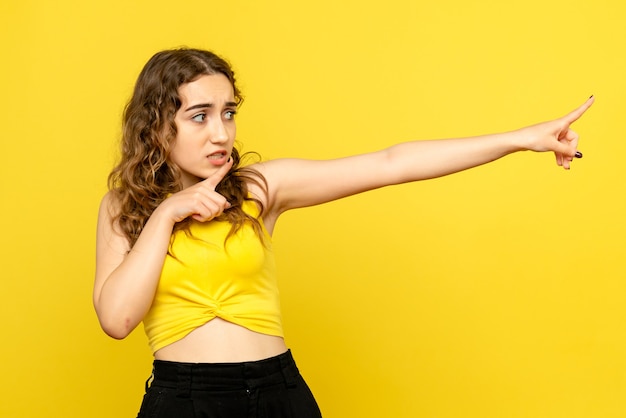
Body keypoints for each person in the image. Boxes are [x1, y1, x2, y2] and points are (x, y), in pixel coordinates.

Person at [94, 47, 593, 418]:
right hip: (181, 402)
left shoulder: (258, 190)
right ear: (158, 126)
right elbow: (117, 319)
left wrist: (522, 138)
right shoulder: (124, 208)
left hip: (276, 393)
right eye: (199, 117)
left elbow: (391, 163)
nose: (221, 133)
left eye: (228, 113)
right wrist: (166, 215)